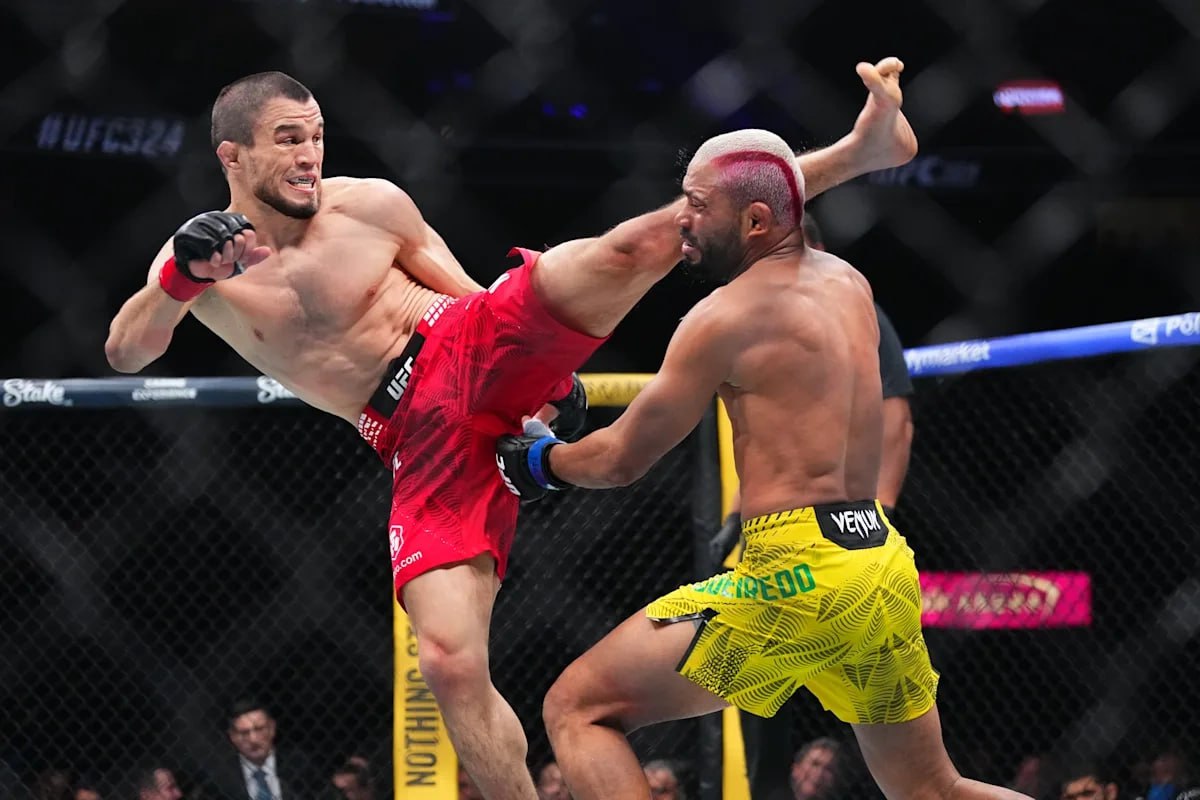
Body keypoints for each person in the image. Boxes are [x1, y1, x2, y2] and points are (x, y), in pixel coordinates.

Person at [105, 63, 914, 799]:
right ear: (233, 155)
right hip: (413, 438)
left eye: (316, 136)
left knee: (636, 245)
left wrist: (542, 375)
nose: (310, 155)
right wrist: (180, 277)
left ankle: (857, 152)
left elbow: (470, 294)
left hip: (465, 341)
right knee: (448, 663)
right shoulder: (200, 265)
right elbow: (126, 350)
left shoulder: (369, 204)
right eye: (288, 140)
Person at [495, 83, 1034, 800]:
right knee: (934, 789)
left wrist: (539, 460)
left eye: (698, 205)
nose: (681, 221)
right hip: (877, 563)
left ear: (754, 220)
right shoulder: (849, 283)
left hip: (795, 575)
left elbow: (621, 459)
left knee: (578, 708)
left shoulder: (723, 318)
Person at [713, 212, 915, 800]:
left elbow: (896, 419)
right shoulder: (766, 322)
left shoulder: (854, 310)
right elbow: (769, 437)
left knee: (868, 713)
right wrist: (735, 515)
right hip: (780, 542)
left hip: (844, 538)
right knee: (759, 695)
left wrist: (880, 509)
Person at [206, 699, 319, 800]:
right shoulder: (219, 777)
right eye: (244, 733)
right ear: (232, 736)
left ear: (272, 728)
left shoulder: (301, 766)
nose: (253, 739)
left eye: (259, 729)